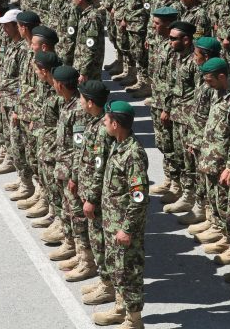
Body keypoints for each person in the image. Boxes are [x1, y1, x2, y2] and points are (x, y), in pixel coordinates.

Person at [94, 101, 149, 329]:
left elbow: (139, 198)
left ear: (115, 124)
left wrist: (127, 228)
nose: (104, 123)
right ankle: (120, 307)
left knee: (128, 272)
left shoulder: (133, 154)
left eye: (106, 120)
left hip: (124, 225)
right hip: (112, 222)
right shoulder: (118, 144)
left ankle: (133, 320)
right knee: (117, 269)